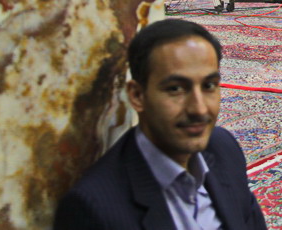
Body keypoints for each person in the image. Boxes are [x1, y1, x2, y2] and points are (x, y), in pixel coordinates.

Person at [54, 19, 267, 230]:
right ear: (137, 96)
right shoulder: (95, 209)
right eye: (175, 89)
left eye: (209, 85)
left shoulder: (224, 148)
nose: (199, 109)